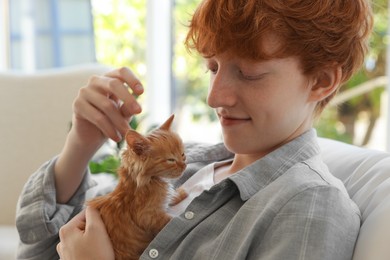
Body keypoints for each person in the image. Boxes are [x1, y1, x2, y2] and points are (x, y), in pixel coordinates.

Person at [16, 0, 373, 259]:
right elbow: (39, 251)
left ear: (322, 81)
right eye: (213, 67)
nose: (214, 97)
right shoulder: (191, 165)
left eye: (248, 73)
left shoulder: (309, 206)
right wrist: (81, 143)